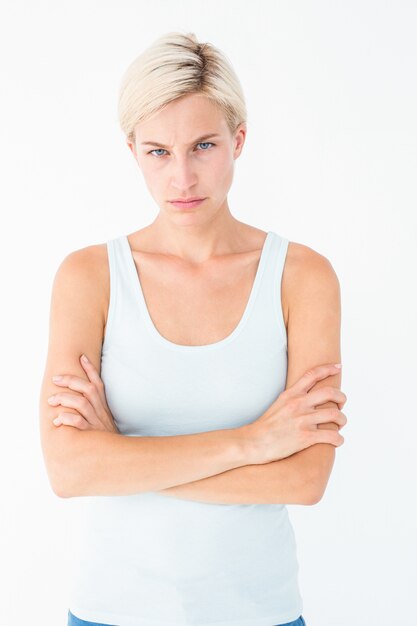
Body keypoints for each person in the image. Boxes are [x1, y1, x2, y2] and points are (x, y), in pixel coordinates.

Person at [39, 31, 347, 626]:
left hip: (260, 613)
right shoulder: (89, 278)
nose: (181, 177)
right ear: (132, 151)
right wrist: (254, 443)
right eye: (158, 151)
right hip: (110, 610)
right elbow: (68, 471)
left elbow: (307, 478)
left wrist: (123, 459)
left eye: (203, 145)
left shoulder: (303, 277)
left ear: (238, 140)